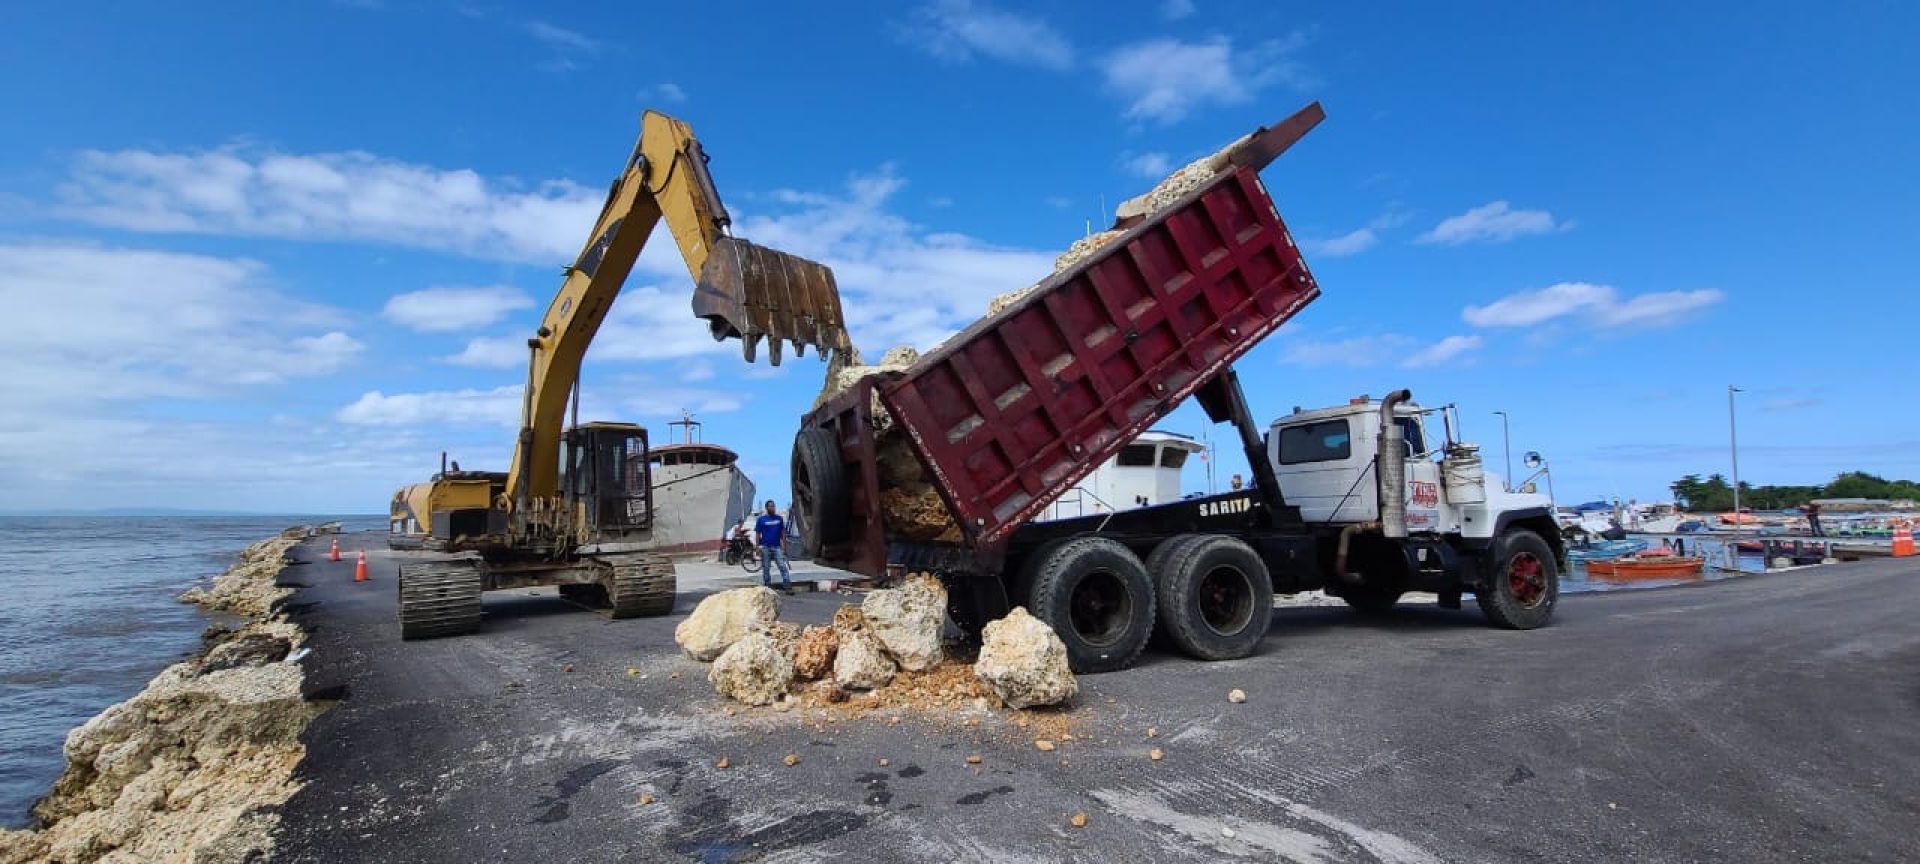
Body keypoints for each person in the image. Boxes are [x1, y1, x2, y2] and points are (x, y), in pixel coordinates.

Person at [755, 500, 792, 594]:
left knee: (782, 566)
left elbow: (783, 533)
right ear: (766, 508)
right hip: (765, 547)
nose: (772, 508)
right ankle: (767, 586)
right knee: (766, 567)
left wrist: (784, 547)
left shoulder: (779, 519)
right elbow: (758, 534)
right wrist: (757, 547)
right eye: (770, 506)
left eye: (773, 506)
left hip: (777, 547)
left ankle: (787, 586)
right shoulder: (761, 519)